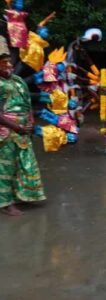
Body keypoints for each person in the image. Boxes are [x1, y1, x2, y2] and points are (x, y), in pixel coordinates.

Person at [0, 35, 46, 216]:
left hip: (22, 130)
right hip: (6, 131)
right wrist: (16, 127)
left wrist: (30, 121)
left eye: (9, 62)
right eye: (4, 63)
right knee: (5, 166)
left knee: (23, 164)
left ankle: (20, 195)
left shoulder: (17, 81)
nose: (9, 66)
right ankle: (5, 203)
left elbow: (27, 104)